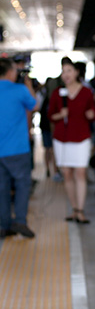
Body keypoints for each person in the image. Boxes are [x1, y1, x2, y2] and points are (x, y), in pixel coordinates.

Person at [48, 57, 95, 224]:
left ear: (76, 72)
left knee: (80, 172)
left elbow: (93, 112)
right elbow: (50, 116)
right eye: (63, 72)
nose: (66, 74)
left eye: (69, 71)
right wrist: (60, 115)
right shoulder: (57, 94)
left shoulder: (86, 92)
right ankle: (74, 208)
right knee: (67, 173)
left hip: (81, 137)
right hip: (62, 138)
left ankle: (80, 210)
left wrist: (91, 115)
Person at [0, 58, 37, 238]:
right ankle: (20, 222)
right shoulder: (20, 90)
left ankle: (3, 225)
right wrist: (28, 84)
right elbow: (35, 104)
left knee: (2, 187)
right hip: (17, 149)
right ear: (9, 72)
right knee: (23, 185)